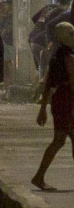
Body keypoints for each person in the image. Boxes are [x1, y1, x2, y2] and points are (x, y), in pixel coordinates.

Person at [32, 22, 74, 191]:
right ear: (65, 36)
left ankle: (39, 176)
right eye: (71, 33)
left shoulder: (56, 55)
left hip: (59, 101)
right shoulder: (67, 55)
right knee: (59, 141)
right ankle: (39, 176)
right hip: (68, 102)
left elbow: (48, 83)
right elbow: (72, 81)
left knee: (61, 140)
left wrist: (43, 109)